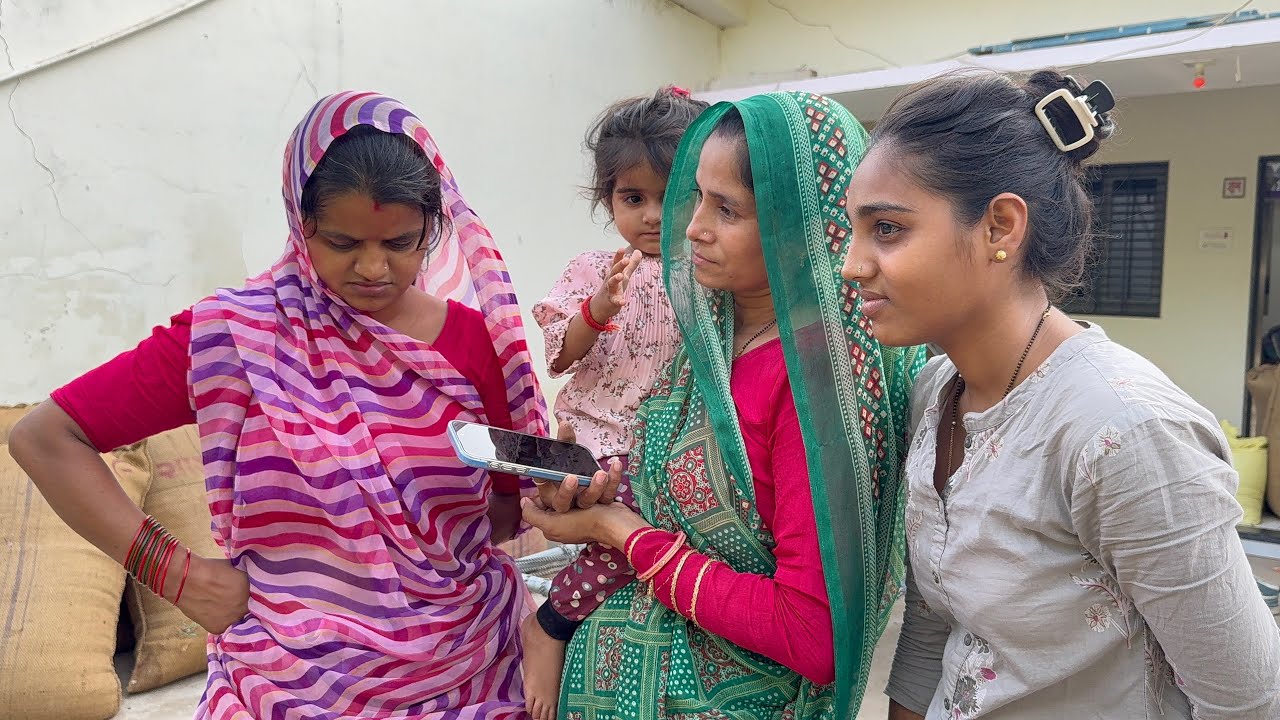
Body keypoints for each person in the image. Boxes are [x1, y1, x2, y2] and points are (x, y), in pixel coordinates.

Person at [10, 91, 547, 719]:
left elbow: (514, 505)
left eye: (400, 243)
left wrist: (577, 495)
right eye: (343, 242)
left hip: (472, 671)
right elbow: (45, 438)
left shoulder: (476, 346)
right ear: (300, 220)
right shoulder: (236, 338)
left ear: (433, 225)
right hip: (284, 685)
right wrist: (178, 575)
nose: (373, 268)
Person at [840, 70, 1280, 719]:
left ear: (1000, 227)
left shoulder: (1122, 432)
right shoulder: (937, 392)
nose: (851, 263)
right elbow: (933, 625)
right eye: (853, 229)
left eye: (887, 229)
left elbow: (1245, 699)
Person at [522, 91, 924, 719]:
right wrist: (596, 495)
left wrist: (617, 531)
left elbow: (810, 635)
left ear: (800, 220)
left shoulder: (817, 381)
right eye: (698, 198)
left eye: (726, 209)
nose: (691, 229)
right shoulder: (710, 336)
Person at [522, 86, 708, 719]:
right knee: (632, 532)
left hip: (667, 447)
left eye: (671, 197)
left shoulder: (709, 273)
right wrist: (598, 309)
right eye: (633, 198)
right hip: (598, 442)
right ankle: (549, 624)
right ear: (607, 200)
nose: (653, 215)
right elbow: (559, 355)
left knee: (656, 536)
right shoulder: (593, 267)